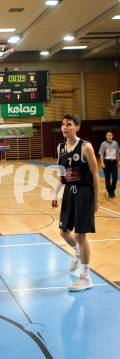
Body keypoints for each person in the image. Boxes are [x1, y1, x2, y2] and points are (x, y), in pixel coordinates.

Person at [52, 114, 99, 292]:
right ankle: (77, 253)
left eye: (69, 125)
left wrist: (96, 200)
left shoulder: (86, 146)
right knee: (64, 232)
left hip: (84, 193)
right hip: (69, 193)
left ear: (77, 128)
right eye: (63, 124)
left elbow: (95, 173)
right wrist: (56, 194)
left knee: (81, 235)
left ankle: (86, 277)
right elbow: (62, 175)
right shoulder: (61, 148)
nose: (65, 127)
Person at [98, 131, 119, 198]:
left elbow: (117, 153)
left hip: (114, 163)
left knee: (115, 177)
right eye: (108, 135)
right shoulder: (103, 144)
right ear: (106, 136)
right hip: (106, 163)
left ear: (112, 136)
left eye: (110, 135)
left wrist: (118, 162)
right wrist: (102, 163)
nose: (109, 136)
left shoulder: (115, 143)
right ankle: (110, 191)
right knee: (107, 178)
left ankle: (112, 189)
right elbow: (101, 154)